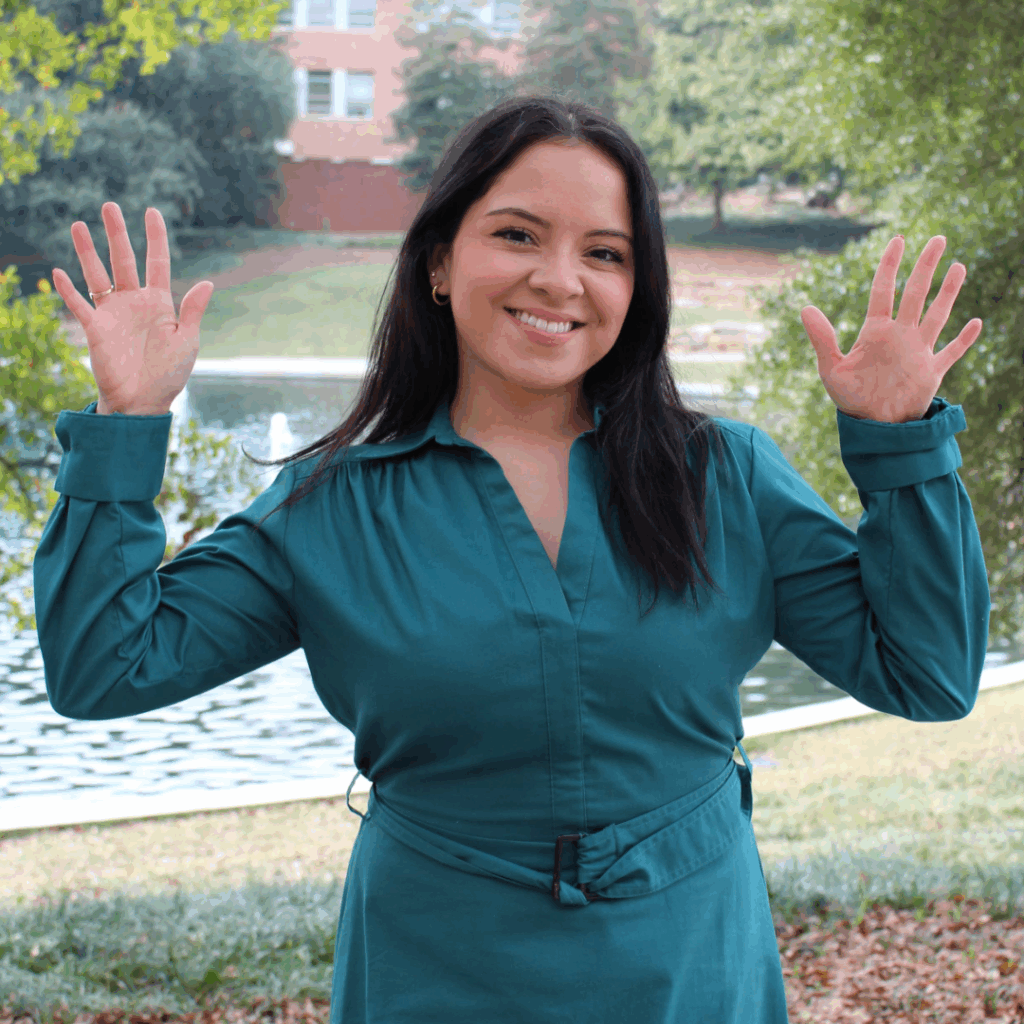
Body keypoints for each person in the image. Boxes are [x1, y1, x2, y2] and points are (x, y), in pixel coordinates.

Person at [36, 94, 989, 1024]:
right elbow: (103, 669)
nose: (560, 280)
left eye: (604, 253)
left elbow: (929, 674)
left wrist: (900, 445)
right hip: (432, 968)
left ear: (636, 287)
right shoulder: (330, 506)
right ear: (442, 263)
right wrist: (128, 424)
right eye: (519, 236)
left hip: (688, 969)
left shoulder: (725, 476)